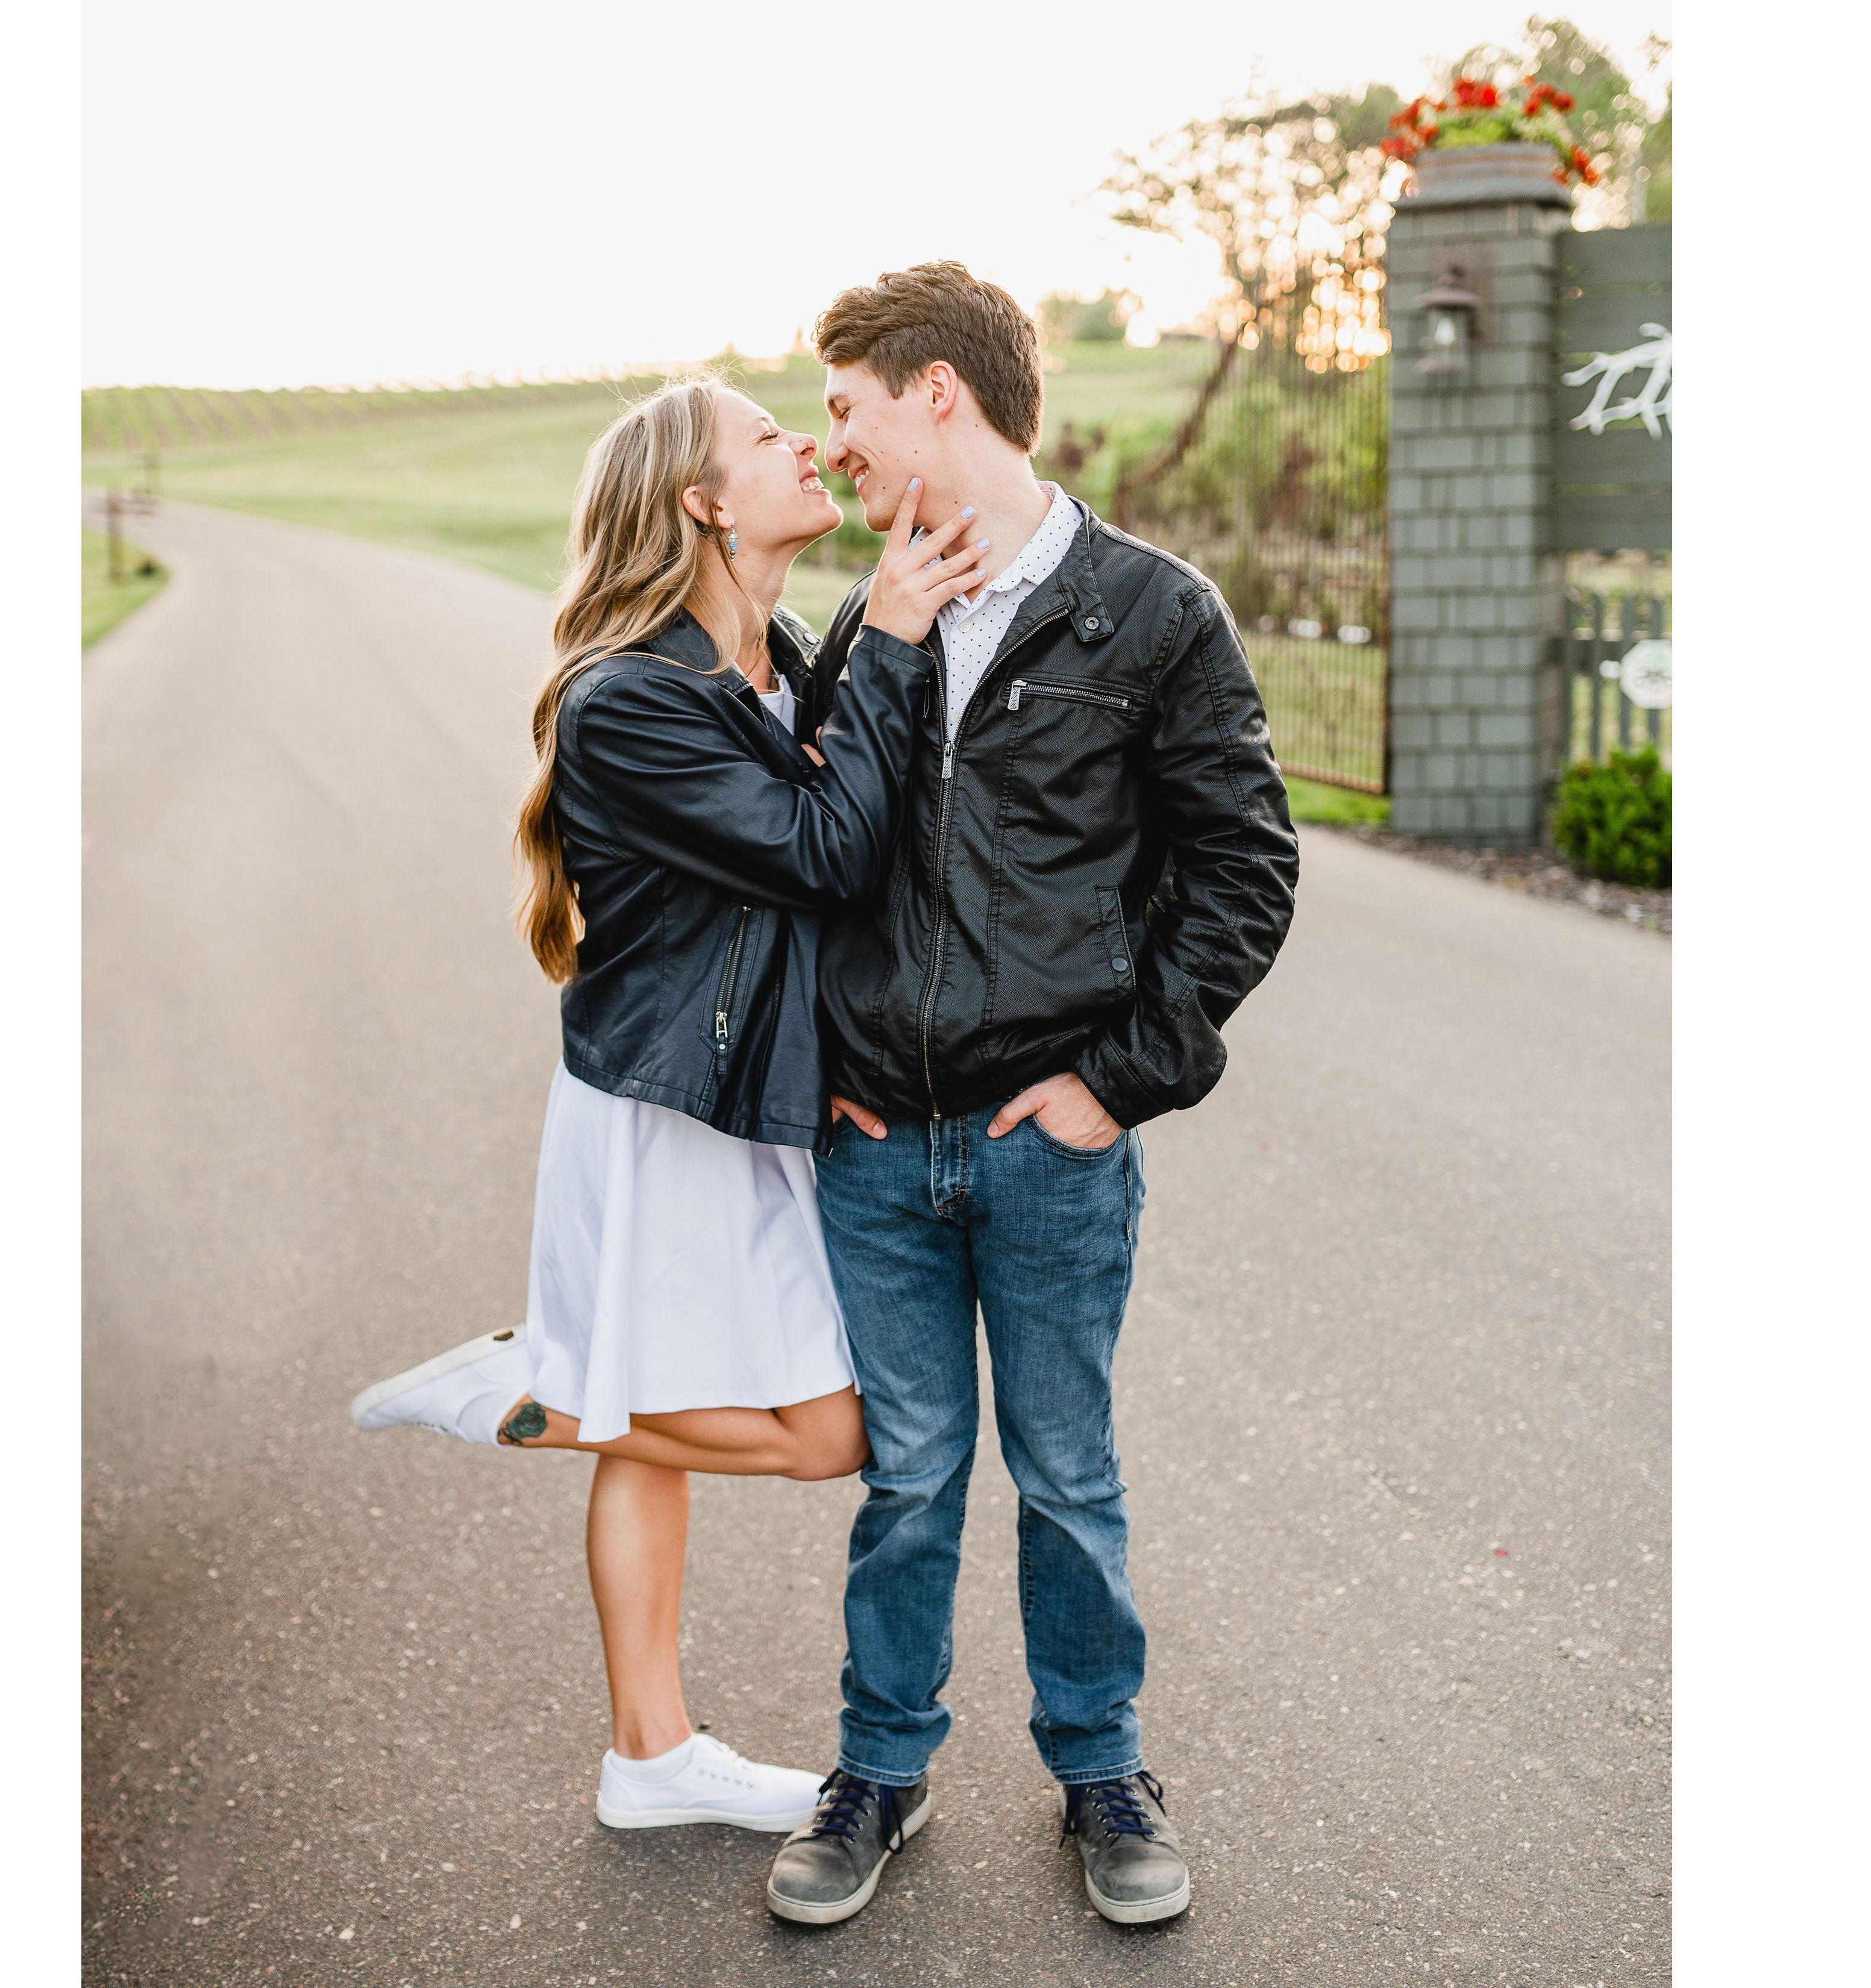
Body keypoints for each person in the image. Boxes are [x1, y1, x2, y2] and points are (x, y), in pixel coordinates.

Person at [346, 376, 990, 1836]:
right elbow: (828, 854)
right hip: (668, 1109)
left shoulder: (773, 655)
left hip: (748, 1094)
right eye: (769, 437)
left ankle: (650, 1755)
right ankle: (540, 1396)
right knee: (833, 1435)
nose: (805, 445)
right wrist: (889, 637)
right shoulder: (626, 699)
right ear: (702, 504)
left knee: (662, 1422)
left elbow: (859, 828)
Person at [760, 264, 1300, 1927]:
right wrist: (833, 1072)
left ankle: (1101, 1766)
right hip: (878, 1151)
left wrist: (1114, 1081)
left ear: (937, 395)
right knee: (909, 1476)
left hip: (1045, 1145)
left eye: (846, 407)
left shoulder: (1151, 612)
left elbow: (1245, 872)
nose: (830, 442)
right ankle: (878, 1768)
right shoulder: (875, 612)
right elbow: (827, 856)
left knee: (1065, 1471)